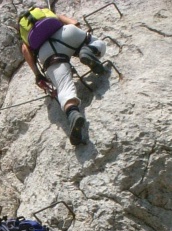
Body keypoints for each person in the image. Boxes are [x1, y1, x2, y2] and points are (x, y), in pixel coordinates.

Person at [19, 7, 107, 145]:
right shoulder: (47, 14)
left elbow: (25, 50)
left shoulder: (25, 37)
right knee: (98, 43)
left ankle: (73, 114)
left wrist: (38, 75)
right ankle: (89, 50)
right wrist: (78, 41)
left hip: (46, 52)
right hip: (67, 34)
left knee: (64, 88)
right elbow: (75, 23)